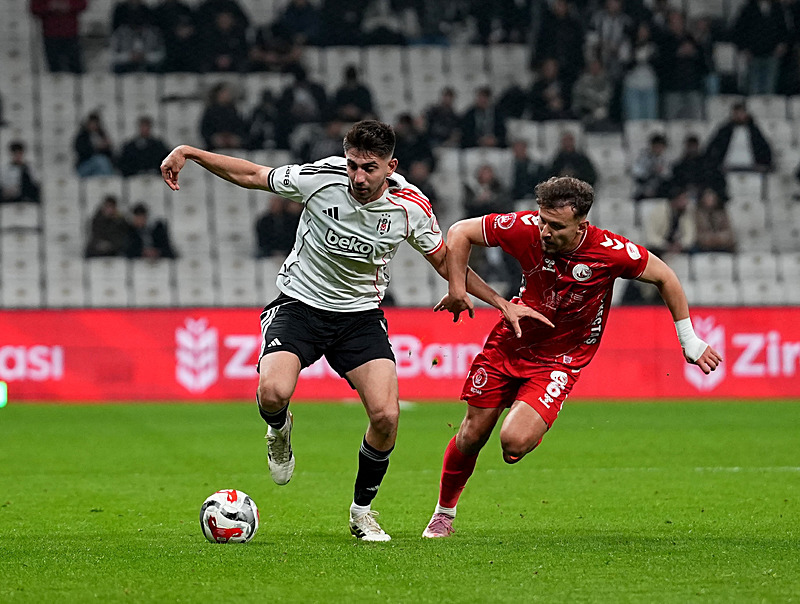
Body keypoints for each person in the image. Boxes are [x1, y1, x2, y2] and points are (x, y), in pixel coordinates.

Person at [160, 120, 510, 542]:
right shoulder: (320, 179)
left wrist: (502, 303)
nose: (358, 177)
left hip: (359, 317)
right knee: (272, 393)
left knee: (386, 415)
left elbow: (444, 260)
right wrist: (191, 152)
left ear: (390, 166)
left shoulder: (410, 206)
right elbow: (253, 175)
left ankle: (362, 512)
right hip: (299, 306)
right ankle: (279, 429)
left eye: (369, 167)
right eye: (352, 166)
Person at [421, 176, 723, 538]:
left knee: (513, 443)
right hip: (511, 342)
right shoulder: (527, 228)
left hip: (559, 359)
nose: (545, 232)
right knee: (471, 435)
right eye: (543, 220)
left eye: (556, 226)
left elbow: (666, 277)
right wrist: (457, 289)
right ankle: (443, 514)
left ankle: (534, 420)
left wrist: (688, 339)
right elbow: (458, 232)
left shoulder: (610, 251)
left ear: (582, 224)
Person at [705, 102, 773, 174]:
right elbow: (712, 147)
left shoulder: (754, 131)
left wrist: (763, 163)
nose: (738, 116)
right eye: (736, 113)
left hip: (751, 166)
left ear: (745, 114)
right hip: (728, 166)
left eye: (740, 113)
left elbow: (764, 148)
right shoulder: (724, 131)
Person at [30, 0, 86, 73]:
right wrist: (49, 6)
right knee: (55, 69)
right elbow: (35, 8)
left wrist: (68, 5)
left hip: (70, 35)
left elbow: (82, 4)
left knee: (75, 68)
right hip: (51, 35)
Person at [74, 112, 115, 178]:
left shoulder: (102, 135)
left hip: (97, 169)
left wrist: (107, 147)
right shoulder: (82, 136)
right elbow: (80, 151)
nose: (94, 125)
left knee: (100, 172)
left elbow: (110, 155)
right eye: (92, 123)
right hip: (84, 166)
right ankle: (110, 179)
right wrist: (96, 147)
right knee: (100, 160)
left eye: (96, 123)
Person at [631, 133, 671, 201]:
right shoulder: (643, 158)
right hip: (643, 191)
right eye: (657, 147)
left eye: (661, 147)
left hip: (659, 190)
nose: (659, 149)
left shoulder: (665, 159)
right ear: (652, 146)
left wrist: (661, 172)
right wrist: (651, 170)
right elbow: (637, 174)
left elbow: (667, 175)